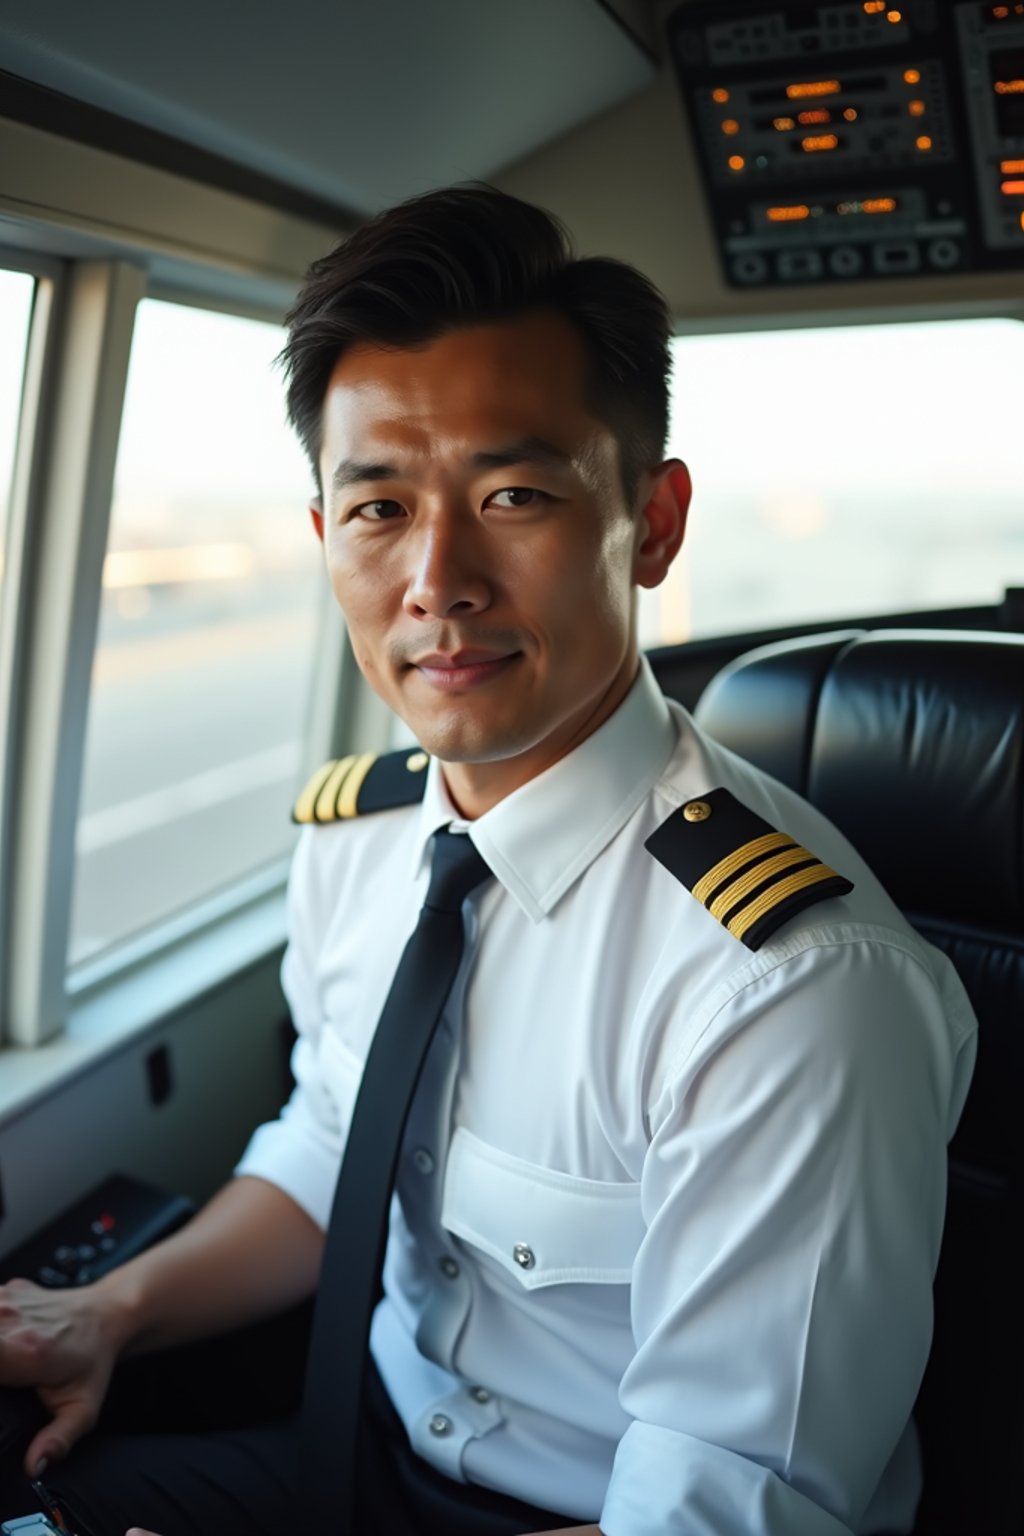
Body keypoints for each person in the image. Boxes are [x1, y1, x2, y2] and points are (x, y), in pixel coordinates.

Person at [0, 185, 976, 1536]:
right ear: (326, 537)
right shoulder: (363, 840)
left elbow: (721, 1506)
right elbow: (339, 1137)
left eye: (514, 492)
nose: (437, 579)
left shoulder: (789, 985)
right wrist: (110, 1315)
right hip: (356, 1449)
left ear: (657, 519)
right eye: (379, 507)